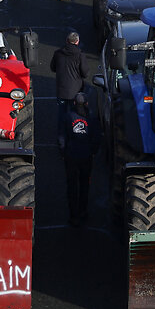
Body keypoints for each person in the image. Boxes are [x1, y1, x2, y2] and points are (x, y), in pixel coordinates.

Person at [60, 92, 98, 227]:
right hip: (86, 156)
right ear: (87, 103)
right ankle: (83, 211)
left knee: (71, 186)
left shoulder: (68, 116)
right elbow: (96, 137)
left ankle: (73, 214)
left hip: (71, 155)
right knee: (84, 185)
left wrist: (63, 151)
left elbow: (62, 136)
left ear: (74, 103)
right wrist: (93, 152)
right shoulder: (91, 118)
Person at [51, 31, 92, 125]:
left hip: (61, 90)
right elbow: (85, 73)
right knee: (75, 114)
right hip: (76, 92)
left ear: (67, 41)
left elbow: (53, 68)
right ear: (77, 41)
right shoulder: (80, 55)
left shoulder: (58, 53)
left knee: (62, 114)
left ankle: (61, 136)